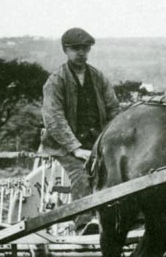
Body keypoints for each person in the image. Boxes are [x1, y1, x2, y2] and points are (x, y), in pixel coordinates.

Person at [39, 27, 120, 207]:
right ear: (65, 50)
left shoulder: (99, 77)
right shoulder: (56, 81)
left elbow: (113, 109)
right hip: (63, 146)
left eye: (85, 48)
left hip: (96, 142)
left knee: (119, 171)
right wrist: (75, 148)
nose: (81, 53)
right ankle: (83, 224)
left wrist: (111, 140)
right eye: (75, 48)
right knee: (82, 176)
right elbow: (54, 118)